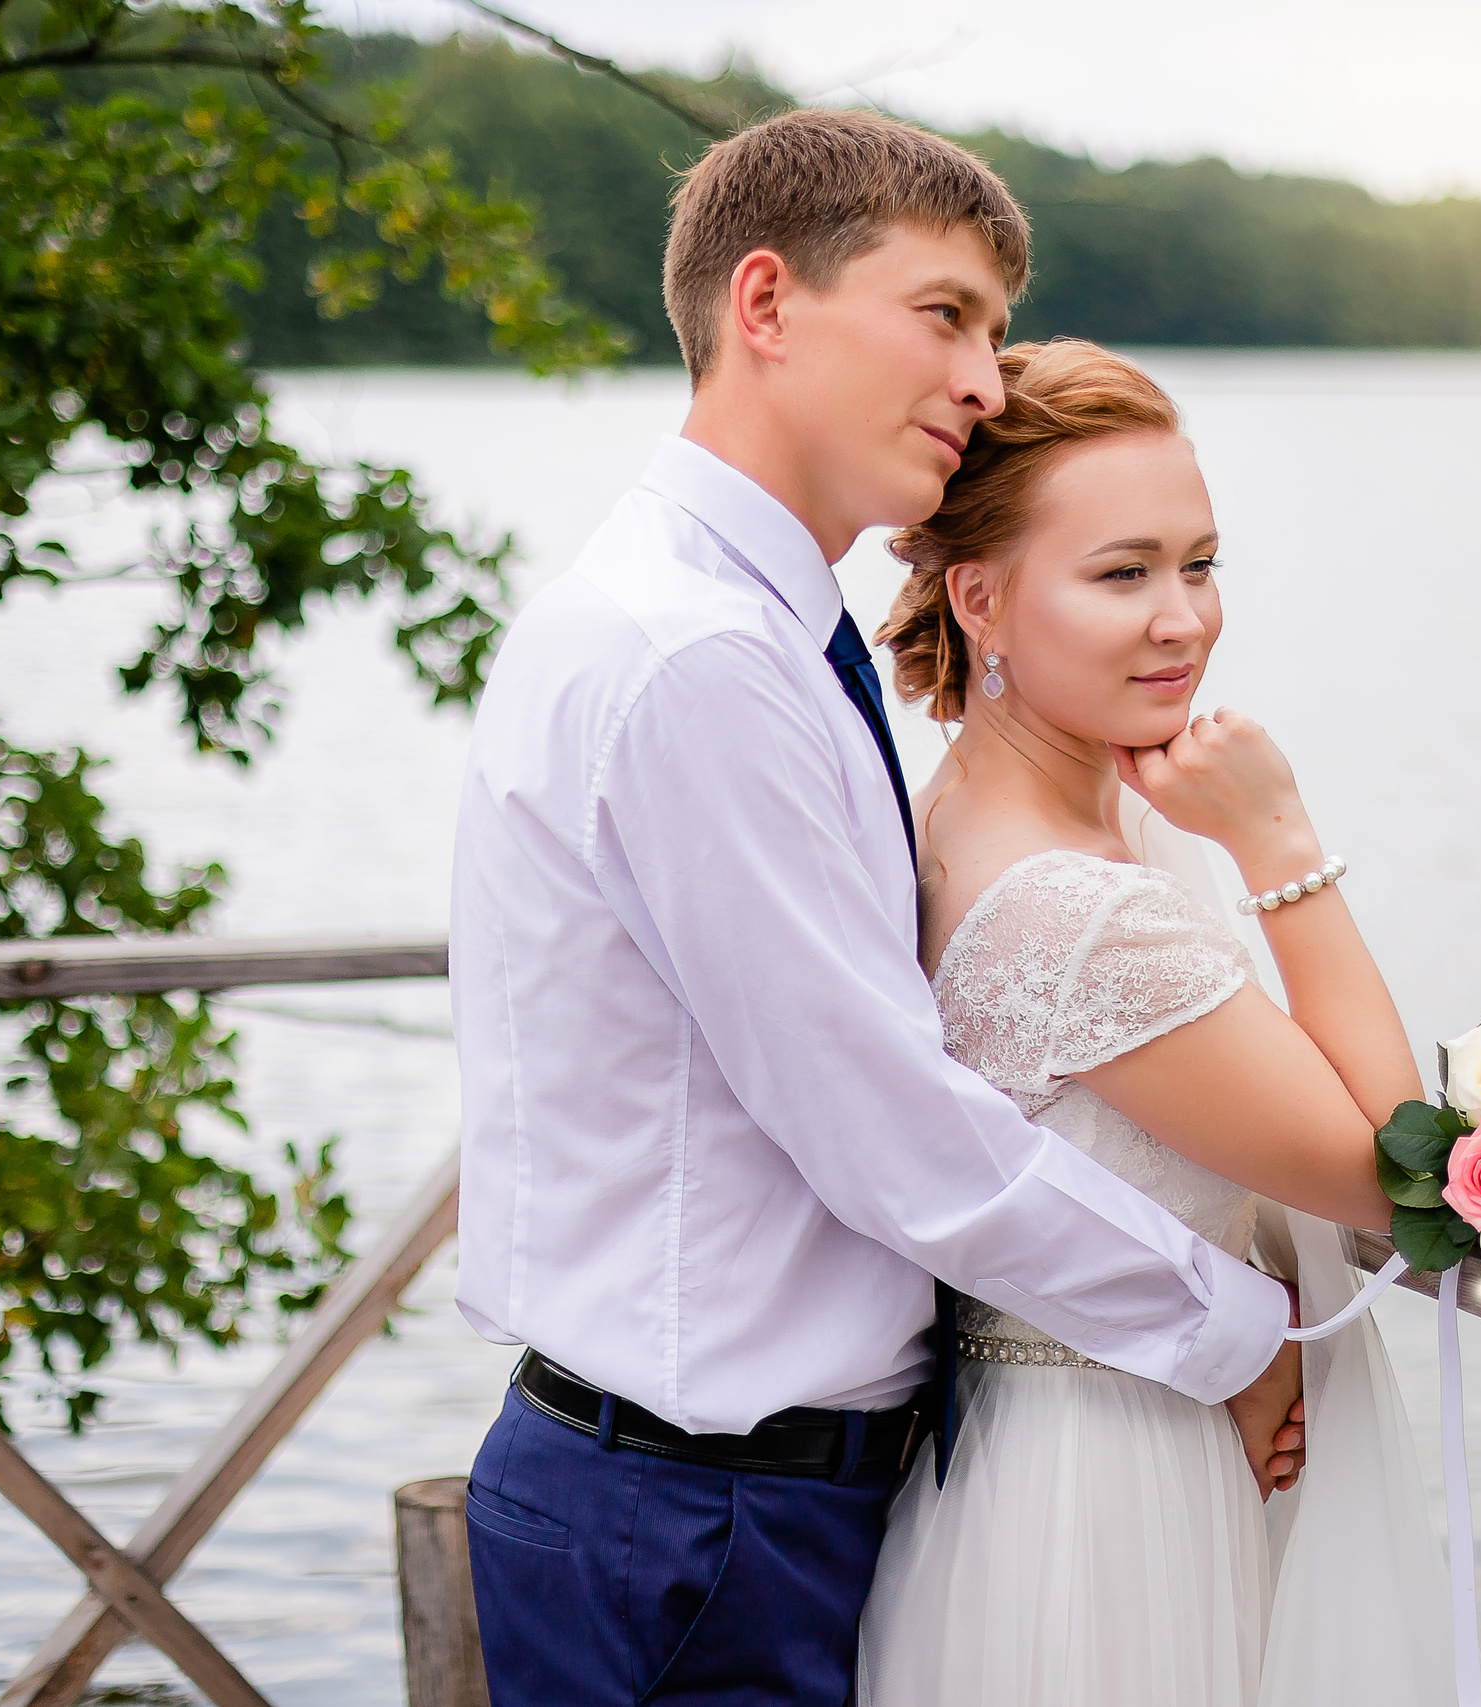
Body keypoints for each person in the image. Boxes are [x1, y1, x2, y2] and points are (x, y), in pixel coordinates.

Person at [448, 111, 1309, 1706]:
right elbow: (881, 1122)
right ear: (767, 304)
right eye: (945, 316)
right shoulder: (694, 659)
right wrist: (1228, 1334)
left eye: (994, 329)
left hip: (737, 1502)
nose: (985, 380)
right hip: (695, 1521)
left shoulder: (743, 623)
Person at [856, 340, 1465, 1707]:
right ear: (981, 598)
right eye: (1123, 574)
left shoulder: (965, 814)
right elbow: (1395, 1175)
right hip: (1110, 1494)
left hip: (1038, 1446)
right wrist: (1280, 842)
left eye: (1200, 564)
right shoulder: (1072, 911)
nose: (1184, 619)